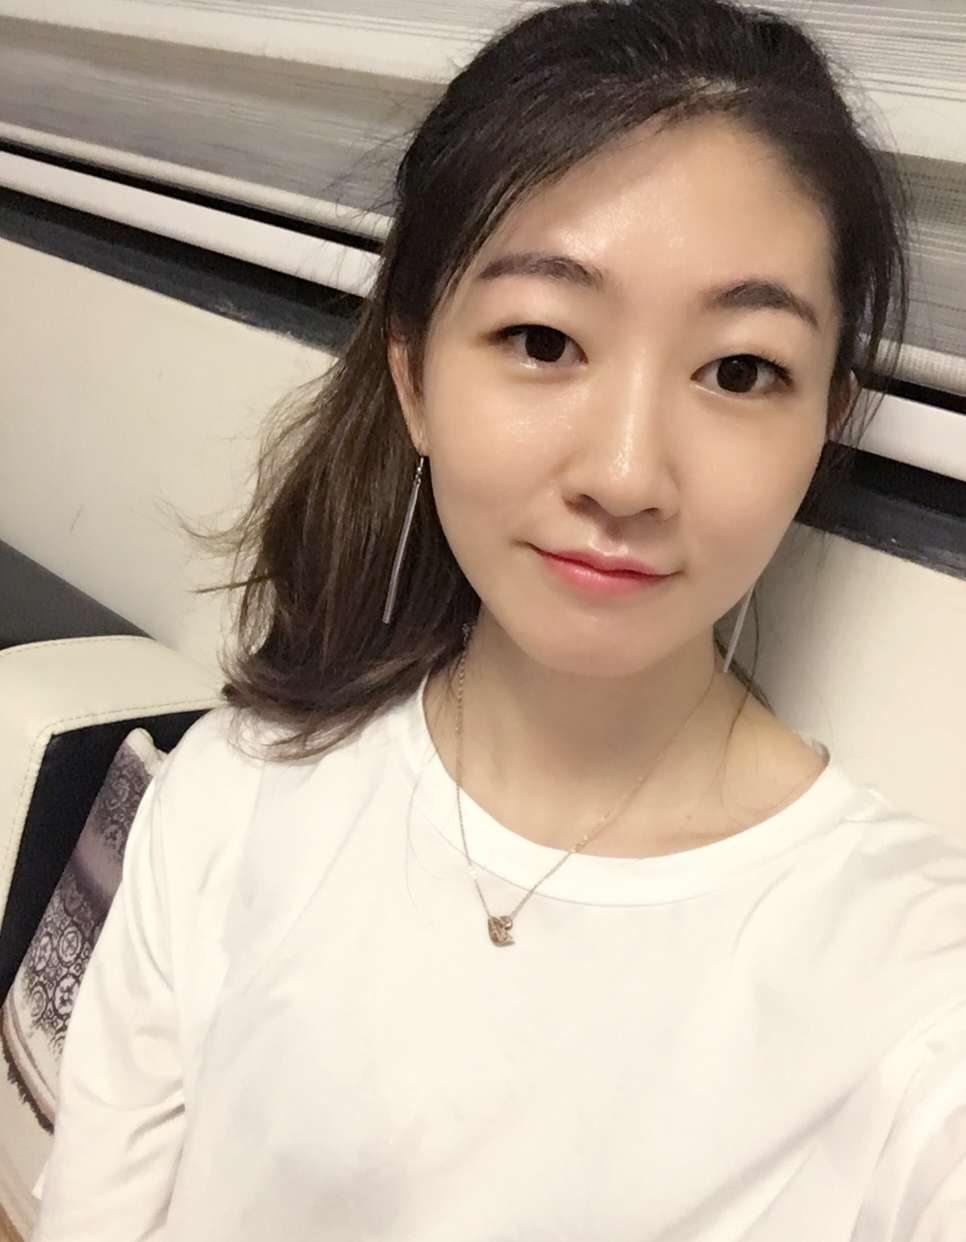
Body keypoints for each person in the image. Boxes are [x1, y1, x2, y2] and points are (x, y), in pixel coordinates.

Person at [34, 0, 966, 1238]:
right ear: (415, 378)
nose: (627, 475)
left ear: (825, 426)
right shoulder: (238, 787)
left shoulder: (919, 989)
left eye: (740, 371)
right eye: (542, 339)